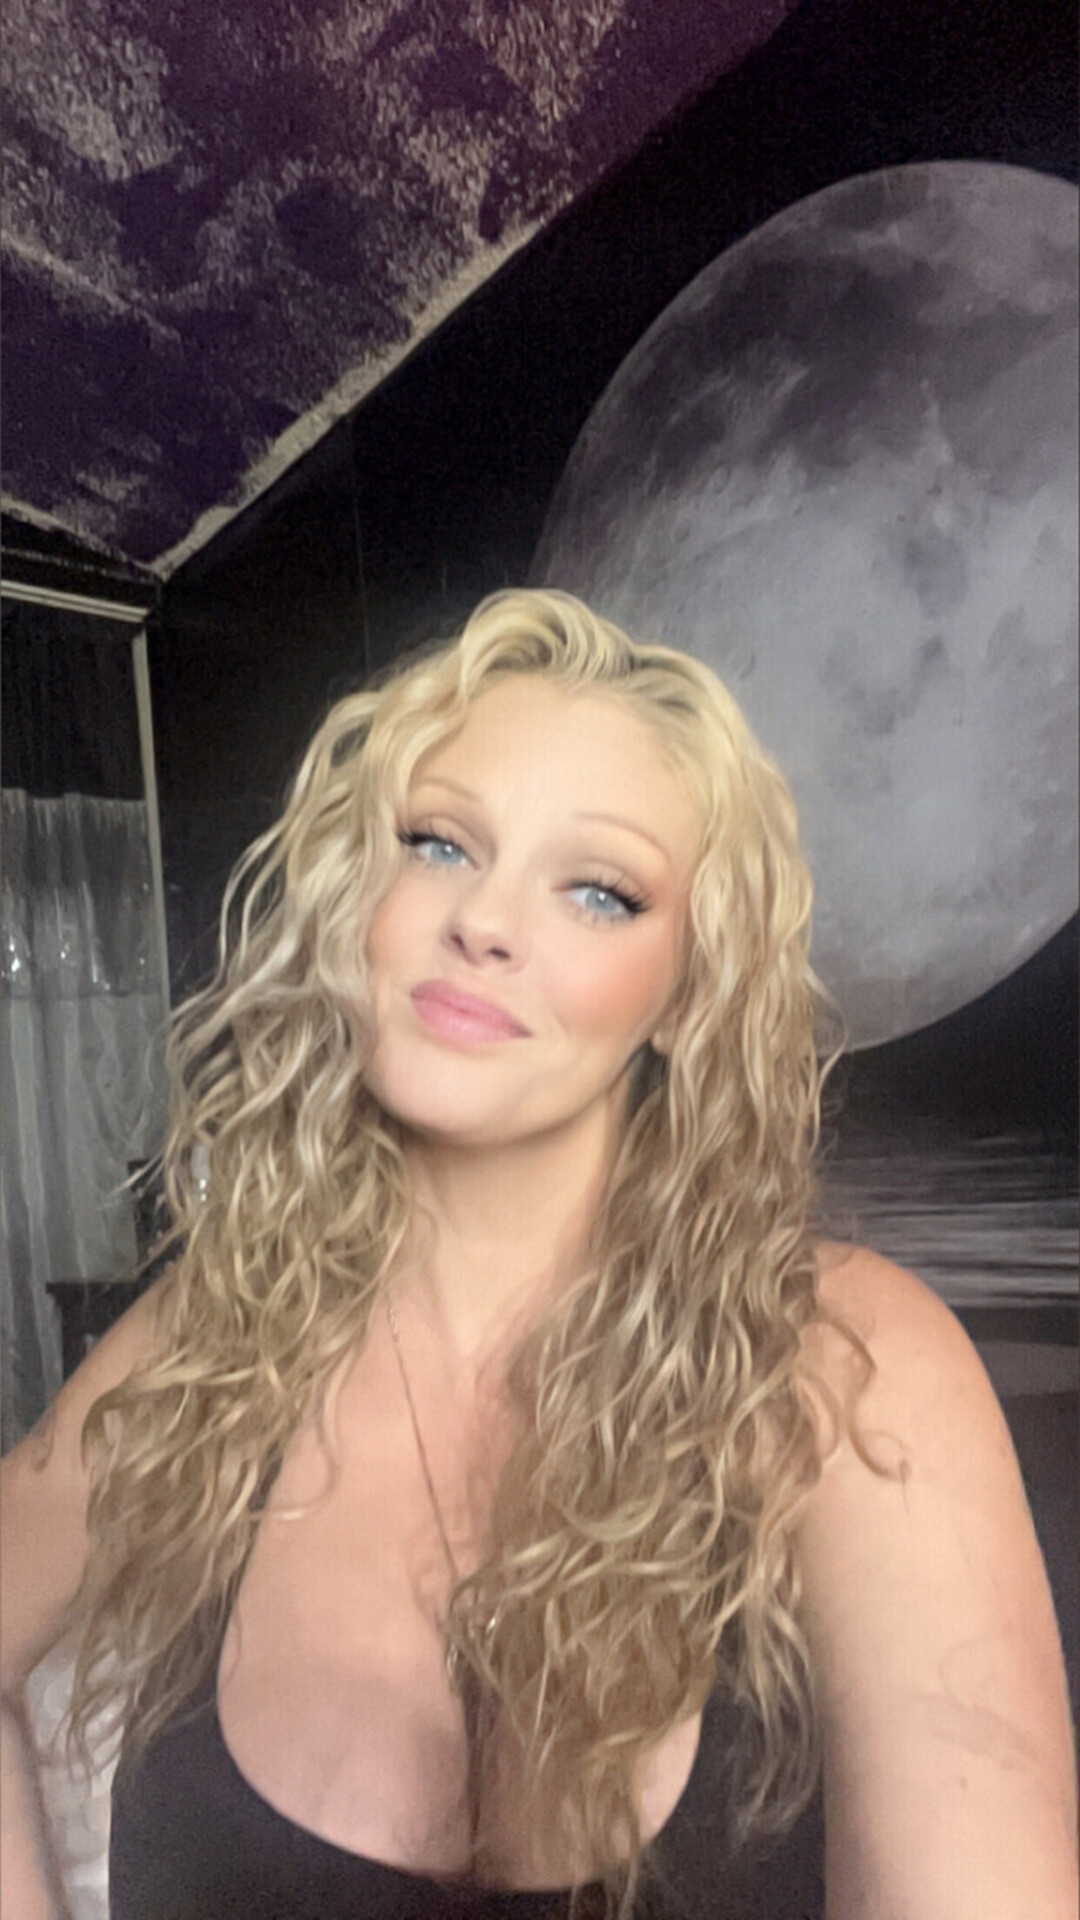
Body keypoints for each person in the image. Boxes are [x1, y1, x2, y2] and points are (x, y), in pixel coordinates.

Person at [2, 589, 1075, 1920]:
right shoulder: (211, 1339)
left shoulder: (851, 1376)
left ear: (687, 990)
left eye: (598, 891)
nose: (486, 921)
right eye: (440, 844)